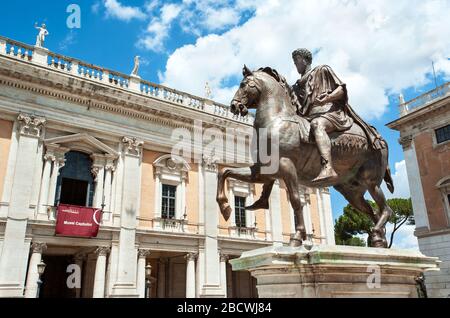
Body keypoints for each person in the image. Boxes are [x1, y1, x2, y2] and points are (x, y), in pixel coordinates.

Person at [246, 48, 385, 210]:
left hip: (329, 114)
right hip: (308, 118)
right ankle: (264, 197)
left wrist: (328, 97)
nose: (296, 65)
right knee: (276, 152)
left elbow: (341, 89)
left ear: (304, 60)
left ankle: (327, 167)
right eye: (294, 62)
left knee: (317, 125)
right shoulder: (297, 85)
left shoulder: (322, 70)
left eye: (296, 61)